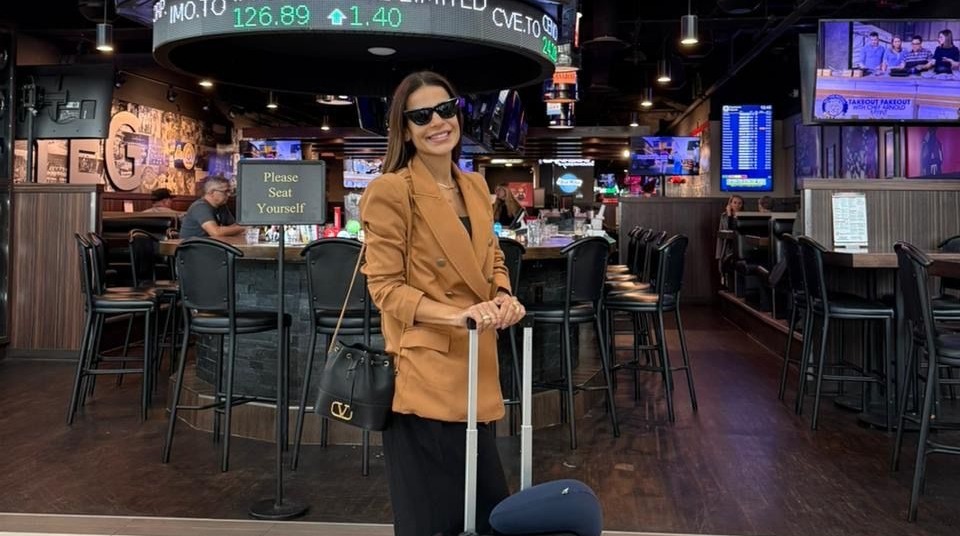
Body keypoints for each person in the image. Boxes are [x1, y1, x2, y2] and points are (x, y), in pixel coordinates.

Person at [359, 71, 526, 536]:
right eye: (421, 115)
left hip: (476, 365)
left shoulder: (475, 186)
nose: (437, 122)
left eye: (446, 109)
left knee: (485, 513)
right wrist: (458, 315)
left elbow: (492, 256)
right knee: (434, 521)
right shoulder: (391, 190)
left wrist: (503, 295)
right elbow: (385, 288)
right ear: (404, 128)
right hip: (425, 375)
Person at [179, 176, 245, 239]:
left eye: (229, 191)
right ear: (211, 192)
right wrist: (244, 228)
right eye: (225, 191)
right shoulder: (200, 207)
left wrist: (240, 228)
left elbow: (234, 226)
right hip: (192, 246)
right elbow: (215, 232)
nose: (229, 194)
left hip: (209, 244)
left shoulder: (222, 206)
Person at [715, 194, 744, 283]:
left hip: (740, 246)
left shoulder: (743, 216)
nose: (737, 205)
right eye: (734, 202)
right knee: (727, 271)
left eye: (739, 203)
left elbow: (735, 230)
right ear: (730, 204)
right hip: (727, 246)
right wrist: (729, 215)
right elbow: (725, 231)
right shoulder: (724, 216)